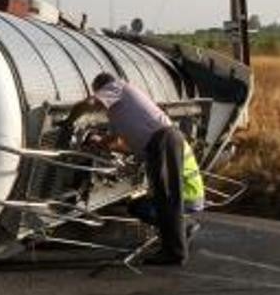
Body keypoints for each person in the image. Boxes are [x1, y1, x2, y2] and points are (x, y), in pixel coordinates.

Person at [67, 72, 203, 266]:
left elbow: (88, 105)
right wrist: (99, 142)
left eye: (97, 92)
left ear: (101, 88)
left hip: (163, 140)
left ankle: (174, 253)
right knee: (162, 197)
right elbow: (117, 141)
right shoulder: (117, 111)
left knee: (166, 196)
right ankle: (175, 243)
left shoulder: (117, 87)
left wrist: (69, 120)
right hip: (160, 143)